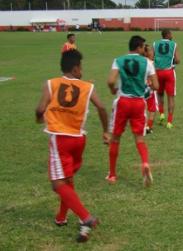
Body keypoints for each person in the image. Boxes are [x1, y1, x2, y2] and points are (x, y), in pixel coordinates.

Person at [35, 50, 110, 242]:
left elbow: (40, 109)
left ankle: (86, 218)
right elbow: (101, 107)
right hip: (79, 139)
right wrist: (105, 131)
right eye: (81, 67)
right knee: (67, 180)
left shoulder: (51, 84)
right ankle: (61, 217)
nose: (82, 70)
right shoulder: (88, 87)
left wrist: (38, 117)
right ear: (76, 68)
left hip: (60, 139)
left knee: (57, 183)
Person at [106, 35, 159, 186]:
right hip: (138, 103)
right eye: (143, 47)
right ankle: (145, 163)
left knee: (115, 138)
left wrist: (113, 89)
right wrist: (146, 88)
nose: (144, 50)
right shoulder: (147, 62)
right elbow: (156, 86)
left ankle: (112, 174)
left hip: (122, 102)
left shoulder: (118, 60)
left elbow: (110, 80)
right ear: (138, 47)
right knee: (139, 139)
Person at [153, 29, 180, 129]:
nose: (172, 35)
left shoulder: (155, 44)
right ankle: (169, 122)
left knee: (159, 94)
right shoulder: (174, 44)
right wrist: (172, 60)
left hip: (157, 72)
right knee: (171, 97)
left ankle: (161, 114)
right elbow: (178, 60)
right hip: (169, 72)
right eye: (171, 33)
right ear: (168, 35)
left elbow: (152, 57)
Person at [143, 44, 158, 134]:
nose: (153, 52)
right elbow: (153, 77)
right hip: (150, 89)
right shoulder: (150, 63)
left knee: (143, 108)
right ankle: (148, 126)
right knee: (152, 109)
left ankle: (144, 126)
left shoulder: (141, 61)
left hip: (140, 88)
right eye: (151, 51)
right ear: (146, 53)